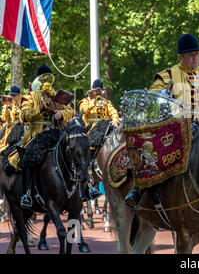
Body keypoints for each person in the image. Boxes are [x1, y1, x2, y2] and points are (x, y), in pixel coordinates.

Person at [124, 34, 199, 208]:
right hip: (176, 127)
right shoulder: (168, 75)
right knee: (154, 151)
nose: (195, 58)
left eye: (197, 54)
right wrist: (169, 104)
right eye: (191, 55)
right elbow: (153, 97)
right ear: (181, 57)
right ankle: (140, 189)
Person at [18, 64, 74, 207]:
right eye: (43, 79)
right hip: (36, 133)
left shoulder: (55, 94)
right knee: (31, 156)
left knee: (75, 149)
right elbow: (23, 117)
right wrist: (41, 107)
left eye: (48, 79)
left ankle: (81, 188)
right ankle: (28, 193)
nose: (46, 83)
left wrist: (61, 113)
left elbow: (71, 111)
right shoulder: (29, 97)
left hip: (55, 131)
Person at [78, 79, 120, 200]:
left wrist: (115, 119)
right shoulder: (85, 101)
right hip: (91, 129)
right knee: (90, 146)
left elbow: (113, 111)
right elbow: (83, 111)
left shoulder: (106, 101)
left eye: (100, 89)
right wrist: (93, 101)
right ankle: (89, 171)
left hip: (106, 127)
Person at [0, 85, 22, 153]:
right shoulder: (7, 106)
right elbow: (5, 119)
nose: (13, 97)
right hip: (10, 128)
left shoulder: (23, 104)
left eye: (14, 95)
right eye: (11, 95)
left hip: (21, 127)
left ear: (19, 95)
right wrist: (7, 109)